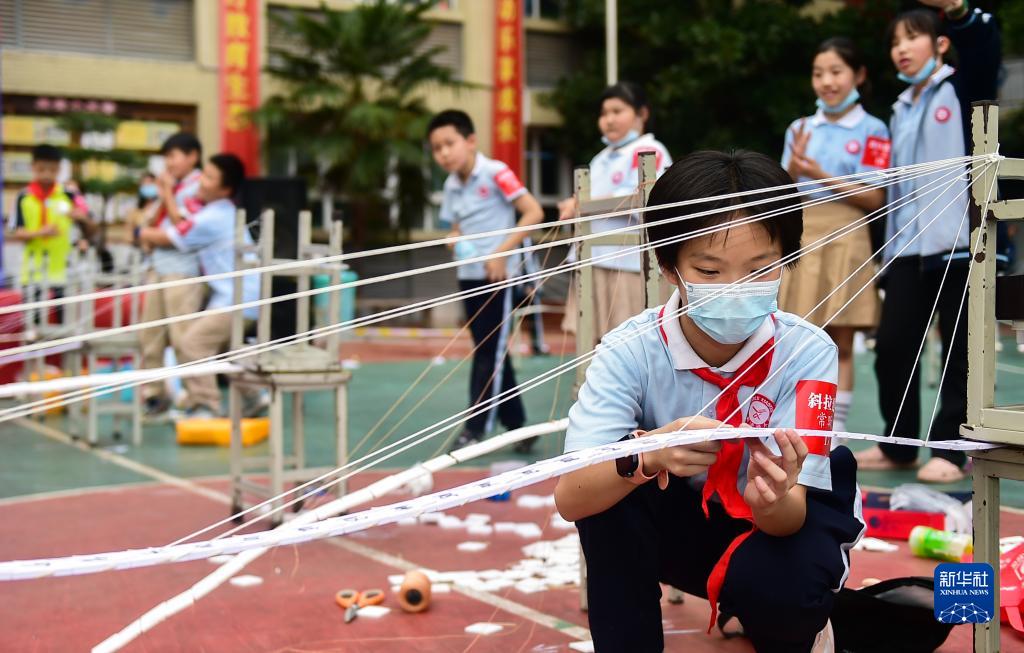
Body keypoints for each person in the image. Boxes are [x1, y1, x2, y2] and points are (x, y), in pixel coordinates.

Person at [555, 151, 863, 653]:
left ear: (787, 260)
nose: (734, 290)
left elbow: (790, 518)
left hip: (766, 532)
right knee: (613, 480)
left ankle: (781, 617)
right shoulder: (629, 350)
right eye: (709, 270)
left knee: (791, 599)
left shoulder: (808, 353)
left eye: (760, 269)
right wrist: (648, 453)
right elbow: (571, 498)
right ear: (669, 266)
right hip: (679, 528)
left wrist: (773, 501)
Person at [857, 0, 1001, 483]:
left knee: (959, 352)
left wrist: (958, 10)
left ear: (940, 44)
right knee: (892, 346)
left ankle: (951, 449)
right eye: (895, 42)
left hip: (963, 242)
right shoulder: (900, 108)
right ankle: (898, 445)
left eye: (912, 37)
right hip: (908, 247)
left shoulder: (961, 86)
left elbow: (984, 48)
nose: (901, 48)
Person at [779, 37, 890, 433]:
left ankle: (833, 433)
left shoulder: (874, 128)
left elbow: (875, 197)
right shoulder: (799, 128)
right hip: (804, 235)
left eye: (836, 72)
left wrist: (818, 175)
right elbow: (783, 193)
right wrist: (794, 170)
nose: (826, 81)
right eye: (818, 73)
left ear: (858, 75)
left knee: (841, 341)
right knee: (797, 338)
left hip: (848, 235)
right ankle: (793, 427)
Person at [427, 110, 545, 450]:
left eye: (449, 143)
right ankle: (518, 426)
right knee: (489, 351)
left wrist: (500, 254)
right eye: (436, 148)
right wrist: (454, 237)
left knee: (488, 352)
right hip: (468, 275)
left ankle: (474, 429)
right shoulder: (451, 185)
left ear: (470, 141)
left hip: (497, 277)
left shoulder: (496, 172)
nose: (443, 153)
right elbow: (457, 226)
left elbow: (534, 212)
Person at [138, 153, 261, 418]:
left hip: (238, 299)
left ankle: (205, 405)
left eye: (208, 177)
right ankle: (254, 397)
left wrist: (144, 233)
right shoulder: (216, 211)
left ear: (225, 189)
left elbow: (173, 235)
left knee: (192, 344)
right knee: (227, 348)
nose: (201, 182)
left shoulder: (213, 217)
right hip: (239, 297)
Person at [557, 82, 672, 343]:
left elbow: (641, 200)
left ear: (642, 114)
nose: (608, 120)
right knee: (593, 342)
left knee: (630, 342)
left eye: (617, 111)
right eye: (604, 113)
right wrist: (575, 204)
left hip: (629, 265)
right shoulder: (601, 158)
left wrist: (581, 204)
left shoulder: (651, 151)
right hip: (593, 260)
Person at [138, 133, 207, 419]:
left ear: (192, 156)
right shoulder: (172, 185)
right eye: (165, 157)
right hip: (158, 267)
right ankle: (155, 395)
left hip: (183, 271)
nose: (168, 163)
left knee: (183, 337)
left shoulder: (201, 185)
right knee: (150, 335)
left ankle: (196, 398)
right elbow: (149, 223)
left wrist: (166, 192)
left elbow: (183, 228)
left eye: (173, 156)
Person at [7, 144, 95, 321]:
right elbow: (16, 232)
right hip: (33, 269)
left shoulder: (70, 195)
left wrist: (82, 217)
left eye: (52, 170)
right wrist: (41, 232)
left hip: (64, 268)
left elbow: (92, 228)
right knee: (33, 321)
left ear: (59, 169)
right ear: (33, 167)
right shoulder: (23, 197)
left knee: (64, 320)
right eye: (42, 169)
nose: (47, 174)